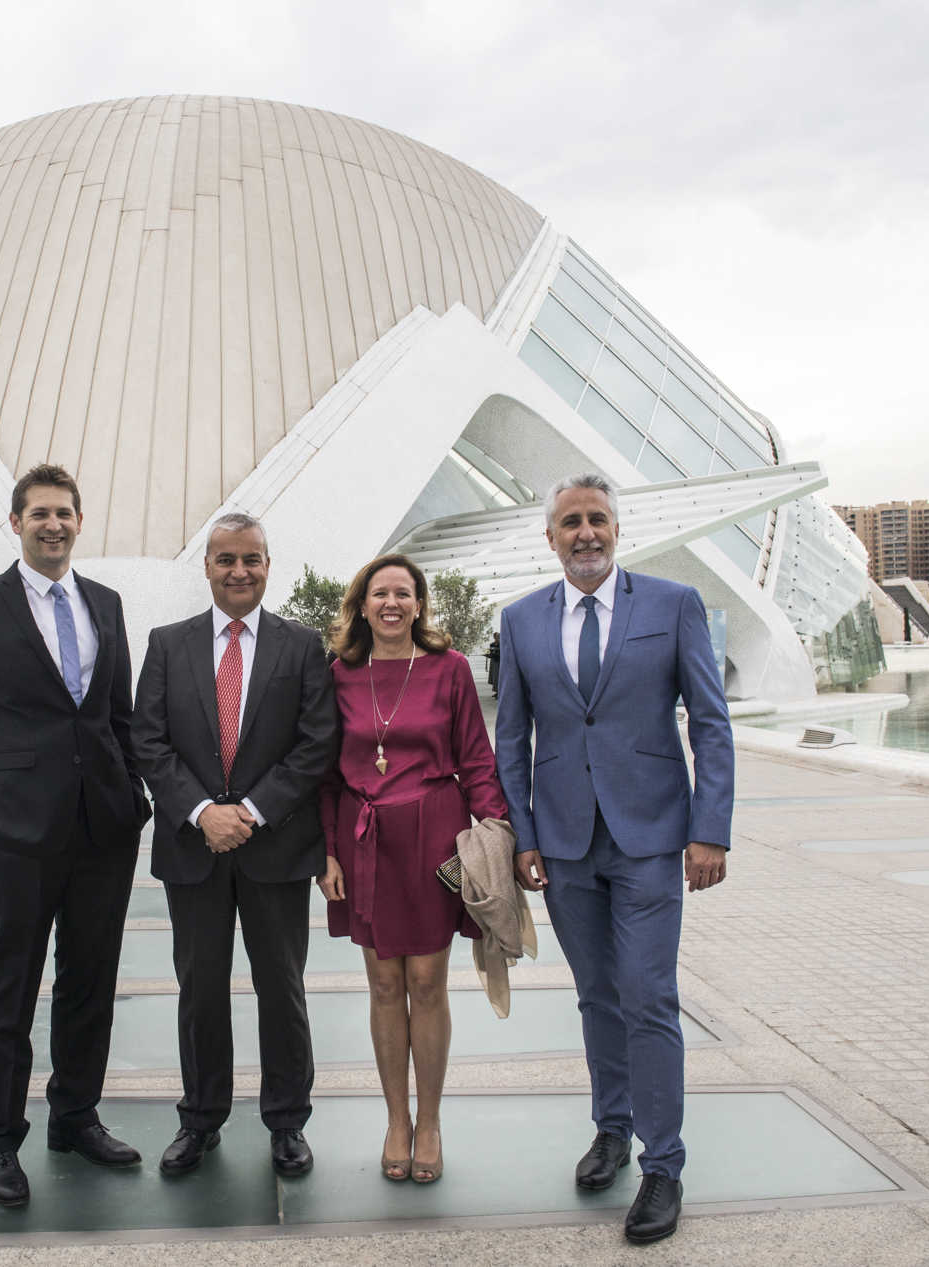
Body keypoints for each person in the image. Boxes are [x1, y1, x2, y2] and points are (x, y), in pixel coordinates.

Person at [494, 472, 733, 1246]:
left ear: (617, 530)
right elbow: (512, 742)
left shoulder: (671, 605)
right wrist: (524, 836)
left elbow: (710, 720)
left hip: (652, 837)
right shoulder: (522, 620)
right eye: (571, 522)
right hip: (564, 842)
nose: (585, 532)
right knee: (597, 993)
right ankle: (612, 1128)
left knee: (648, 993)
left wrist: (711, 828)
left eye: (597, 519)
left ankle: (663, 1164)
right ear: (551, 536)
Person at [0, 463, 153, 1208]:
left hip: (103, 830)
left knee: (90, 982)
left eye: (64, 513)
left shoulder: (107, 605)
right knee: (11, 988)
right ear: (16, 521)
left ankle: (75, 1115)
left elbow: (115, 715)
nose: (53, 524)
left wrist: (134, 798)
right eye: (39, 513)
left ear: (79, 522)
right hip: (17, 832)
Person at [131, 512, 337, 1178]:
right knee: (200, 988)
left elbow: (316, 744)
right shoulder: (167, 644)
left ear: (268, 564)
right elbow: (148, 741)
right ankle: (201, 1119)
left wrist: (247, 810)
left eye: (251, 558)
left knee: (282, 987)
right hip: (194, 851)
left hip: (274, 849)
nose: (239, 570)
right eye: (226, 559)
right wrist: (199, 812)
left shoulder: (302, 647)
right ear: (209, 566)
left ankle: (286, 1122)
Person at [317, 552, 510, 1185]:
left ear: (420, 604)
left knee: (426, 981)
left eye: (404, 593)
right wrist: (327, 852)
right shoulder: (338, 674)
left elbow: (477, 761)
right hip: (362, 835)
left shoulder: (449, 669)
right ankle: (395, 1120)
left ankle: (429, 1122)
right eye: (380, 594)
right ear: (362, 604)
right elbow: (320, 771)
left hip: (434, 838)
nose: (392, 603)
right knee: (381, 984)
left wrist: (495, 838)